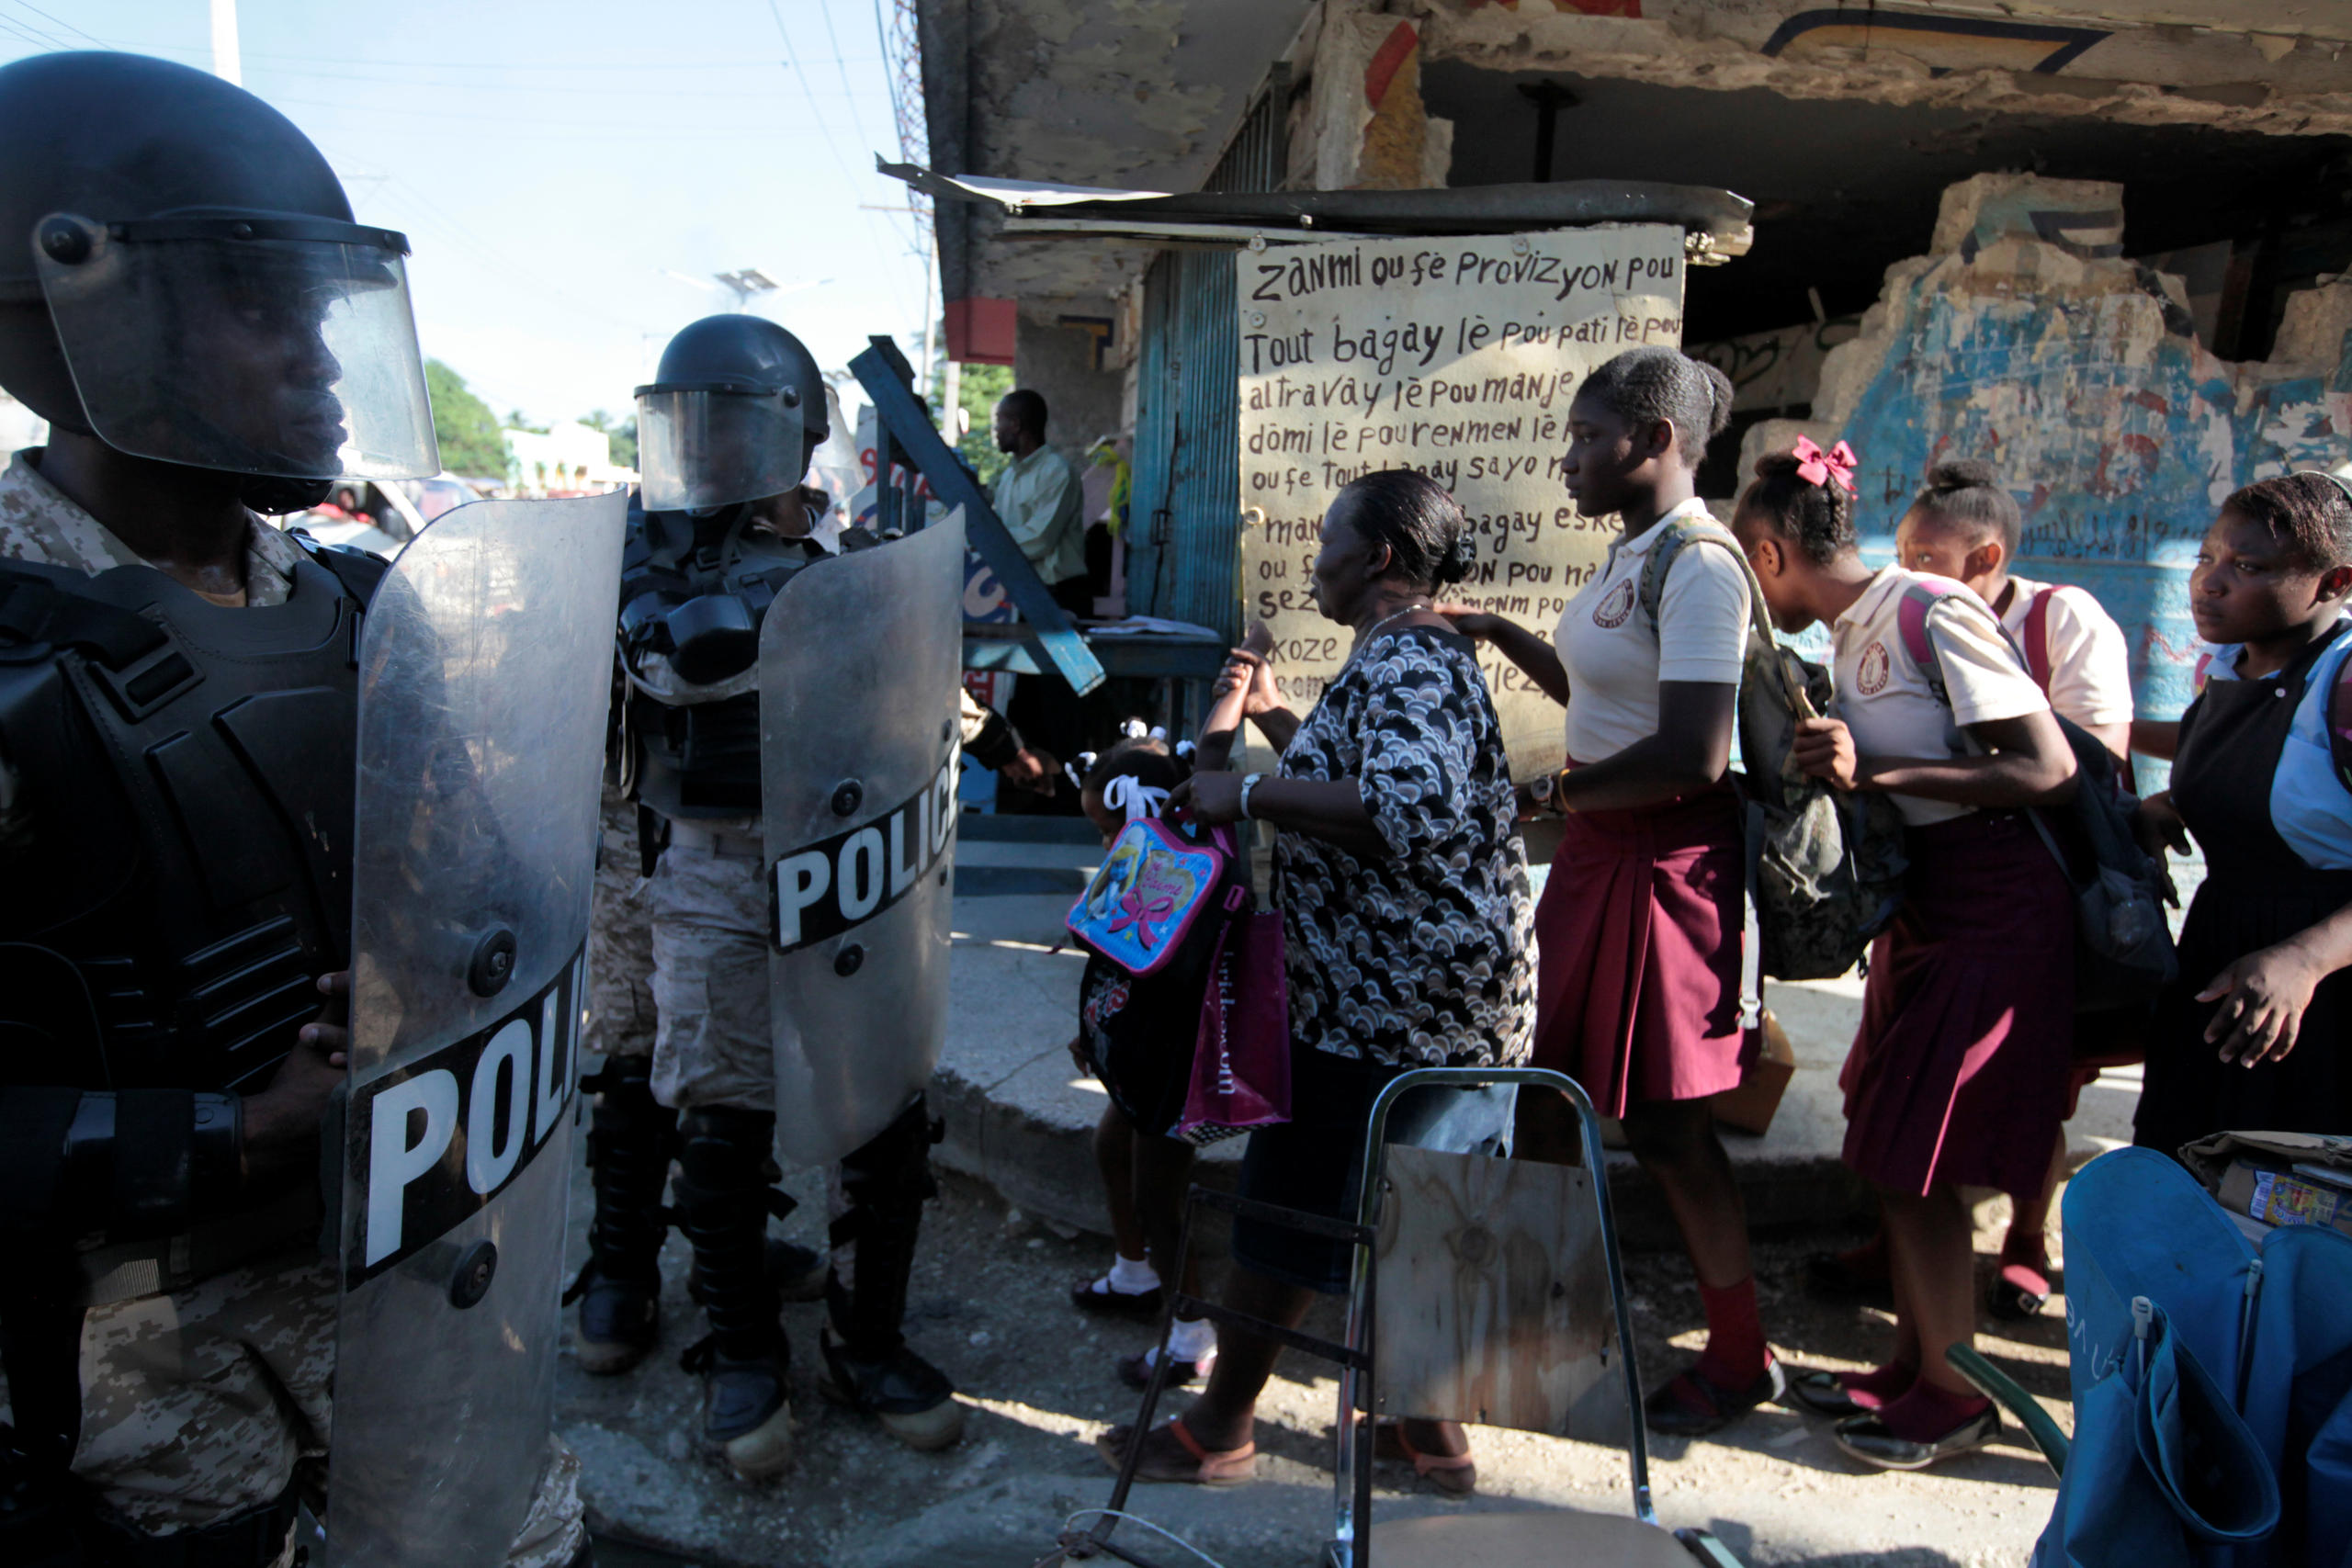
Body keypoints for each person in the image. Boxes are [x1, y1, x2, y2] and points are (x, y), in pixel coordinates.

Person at [0, 51, 586, 1566]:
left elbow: (494, 906)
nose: (320, 360)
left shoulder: (369, 613)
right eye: (263, 307)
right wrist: (218, 1127)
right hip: (140, 1366)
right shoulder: (14, 655)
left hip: (417, 1270)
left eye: (325, 313)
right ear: (90, 306)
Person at [580, 313, 1054, 1476]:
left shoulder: (852, 550)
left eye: (735, 423)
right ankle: (741, 1350)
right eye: (688, 424)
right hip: (710, 861)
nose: (710, 450)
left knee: (884, 1106)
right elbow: (674, 659)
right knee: (721, 1114)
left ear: (796, 432)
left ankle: (865, 1337)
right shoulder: (648, 550)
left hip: (858, 859)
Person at [1098, 468, 1534, 1495]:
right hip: (1436, 1002)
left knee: (1289, 1205)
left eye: (1330, 539)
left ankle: (1218, 1429)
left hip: (1390, 1005)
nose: (1315, 558)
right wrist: (1285, 721)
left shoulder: (1413, 661)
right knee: (1421, 1210)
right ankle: (1430, 1433)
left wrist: (1239, 791)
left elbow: (1401, 810)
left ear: (1377, 557)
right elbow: (1359, 780)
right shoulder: (1406, 653)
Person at [1443, 344, 1780, 1438]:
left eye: (1590, 438)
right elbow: (1608, 694)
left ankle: (1739, 1357)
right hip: (1601, 854)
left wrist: (1551, 788)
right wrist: (1498, 636)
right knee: (1548, 1093)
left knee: (1669, 1124)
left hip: (1665, 867)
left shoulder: (1703, 564)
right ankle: (1533, 1333)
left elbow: (1694, 754)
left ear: (1654, 442)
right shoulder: (1633, 552)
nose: (1570, 457)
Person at [1732, 447, 2079, 1470]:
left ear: (1768, 552)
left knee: (1925, 1161)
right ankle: (1913, 1355)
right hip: (1925, 910)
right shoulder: (1849, 634)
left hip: (1996, 906)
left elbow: (2045, 767)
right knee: (1888, 1145)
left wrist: (1871, 763)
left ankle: (1957, 1394)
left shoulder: (1930, 608)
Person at [1811, 460, 2140, 1320]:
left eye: (1931, 552)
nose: (1912, 565)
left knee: (2016, 1094)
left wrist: (1892, 758)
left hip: (2012, 891)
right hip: (1927, 891)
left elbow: (2081, 762)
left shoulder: (2052, 620)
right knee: (1898, 1106)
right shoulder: (1902, 616)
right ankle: (1912, 1295)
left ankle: (2023, 1243)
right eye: (1906, 548)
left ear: (1986, 553)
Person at [2132, 472, 2352, 1160]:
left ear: (2334, 582)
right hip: (2221, 964)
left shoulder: (2342, 682)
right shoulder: (2231, 667)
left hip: (2323, 996)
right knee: (2185, 1173)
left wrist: (2304, 960)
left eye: (2248, 567)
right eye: (2206, 558)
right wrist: (2171, 805)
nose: (2210, 582)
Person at [1064, 737, 1218, 1389]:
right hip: (1141, 1054)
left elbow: (1157, 972)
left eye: (1108, 829)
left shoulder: (1183, 877)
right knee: (1109, 1142)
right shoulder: (1139, 866)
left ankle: (1192, 1333)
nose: (1103, 845)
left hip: (1175, 1058)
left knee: (1161, 1191)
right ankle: (1135, 1274)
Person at [990, 388, 1087, 616]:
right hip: (1022, 589)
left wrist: (988, 543)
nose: (996, 430)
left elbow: (1040, 539)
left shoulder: (1056, 471)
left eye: (999, 421)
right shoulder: (1008, 477)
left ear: (1015, 424)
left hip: (1059, 594)